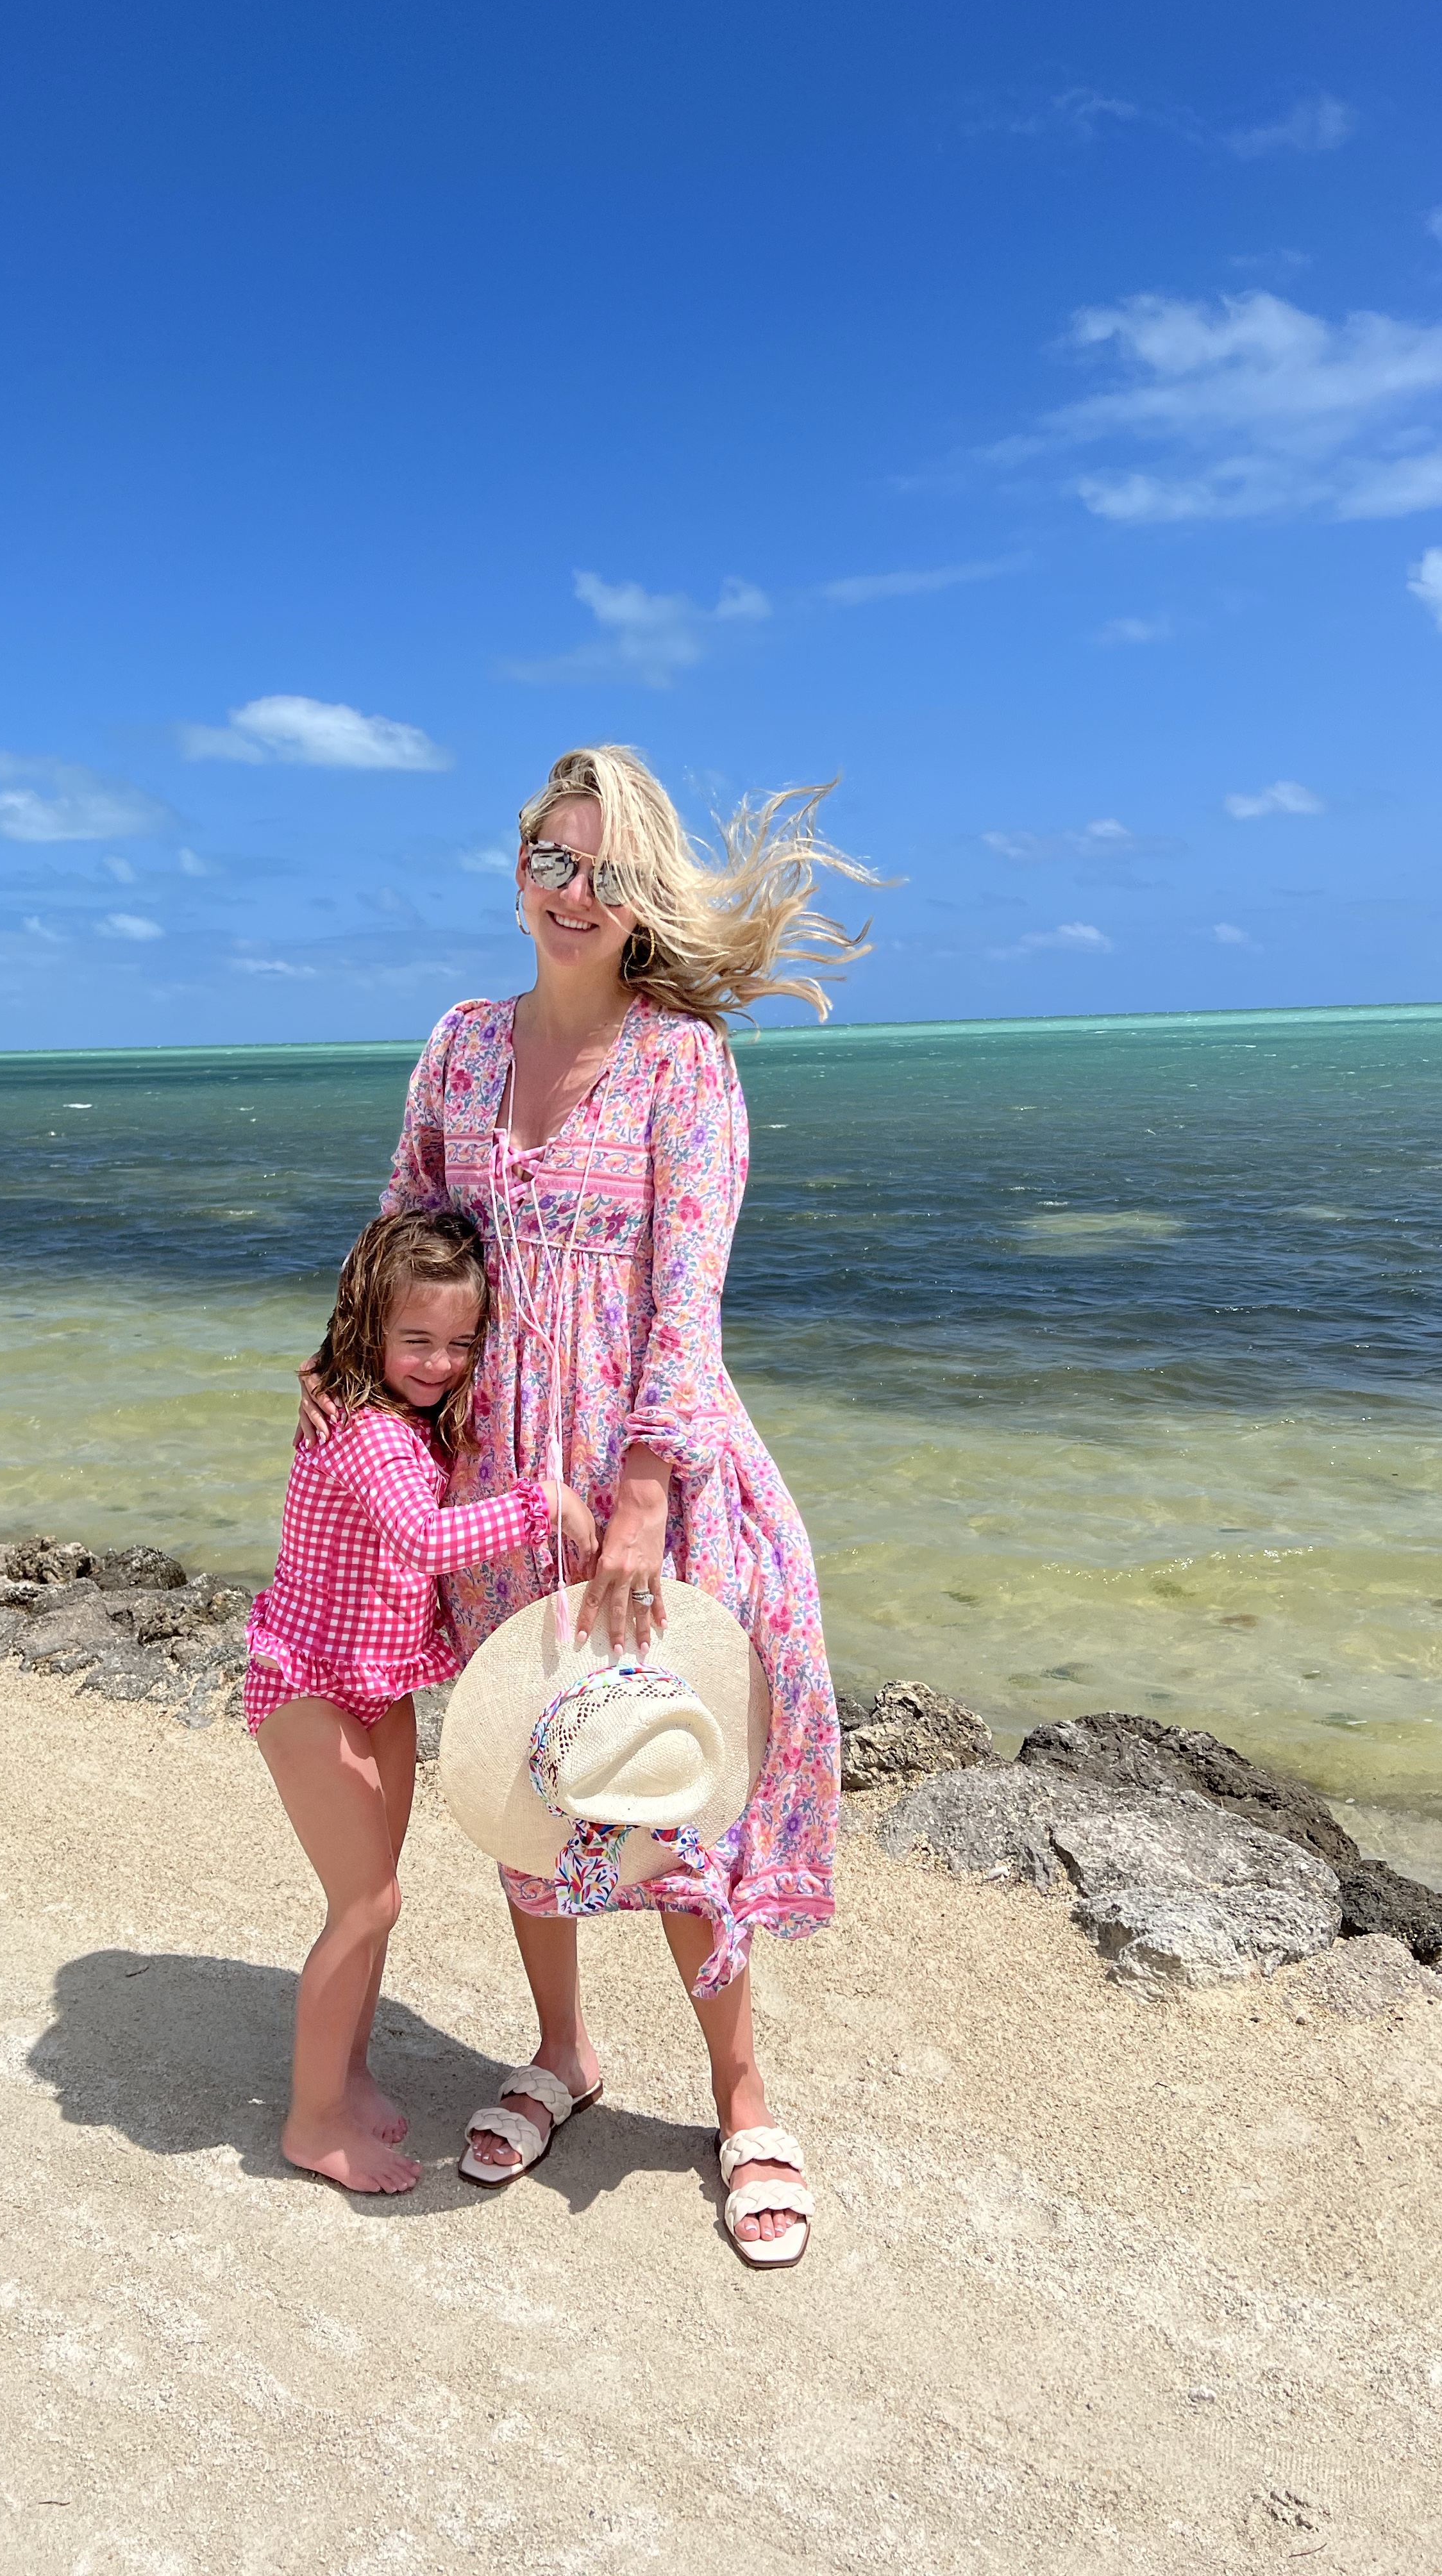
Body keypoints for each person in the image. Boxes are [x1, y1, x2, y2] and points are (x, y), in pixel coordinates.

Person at [304, 743, 879, 2264]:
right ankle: (562, 2050)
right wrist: (349, 1394)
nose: (574, 892)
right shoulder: (460, 1046)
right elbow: (399, 1236)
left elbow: (686, 1306)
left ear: (642, 899)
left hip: (642, 1484)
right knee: (531, 1768)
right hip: (499, 1477)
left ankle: (743, 2090)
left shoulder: (684, 1059)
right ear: (518, 872)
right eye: (552, 861)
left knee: (670, 1780)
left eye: (606, 870)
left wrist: (640, 1499)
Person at [247, 1207, 598, 2195]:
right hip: (305, 1683)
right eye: (417, 1342)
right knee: (366, 1901)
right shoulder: (364, 1432)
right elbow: (419, 1540)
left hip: (379, 1680)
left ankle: (346, 2075)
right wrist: (545, 1504)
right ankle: (312, 2122)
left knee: (374, 1900)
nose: (440, 1363)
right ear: (369, 1330)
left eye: (460, 1343)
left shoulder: (405, 1413)